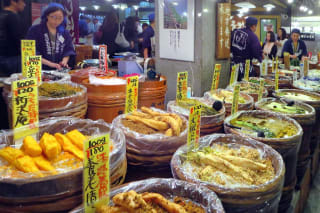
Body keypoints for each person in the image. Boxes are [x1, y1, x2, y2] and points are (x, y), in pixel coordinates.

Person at [26, 3, 76, 70]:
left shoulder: (64, 32)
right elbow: (31, 52)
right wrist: (50, 64)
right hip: (39, 69)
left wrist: (64, 62)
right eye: (54, 17)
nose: (57, 21)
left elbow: (68, 49)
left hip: (58, 70)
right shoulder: (35, 30)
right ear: (47, 15)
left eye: (60, 18)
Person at [231, 17, 262, 81]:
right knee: (245, 87)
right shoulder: (253, 36)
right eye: (256, 26)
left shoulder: (235, 32)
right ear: (253, 26)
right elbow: (256, 52)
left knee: (233, 84)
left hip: (233, 64)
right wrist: (260, 58)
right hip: (246, 66)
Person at [0, 0, 26, 77]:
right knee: (13, 84)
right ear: (13, 2)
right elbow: (19, 39)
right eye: (22, 2)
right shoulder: (13, 16)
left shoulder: (1, 14)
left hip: (2, 57)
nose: (24, 5)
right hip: (12, 59)